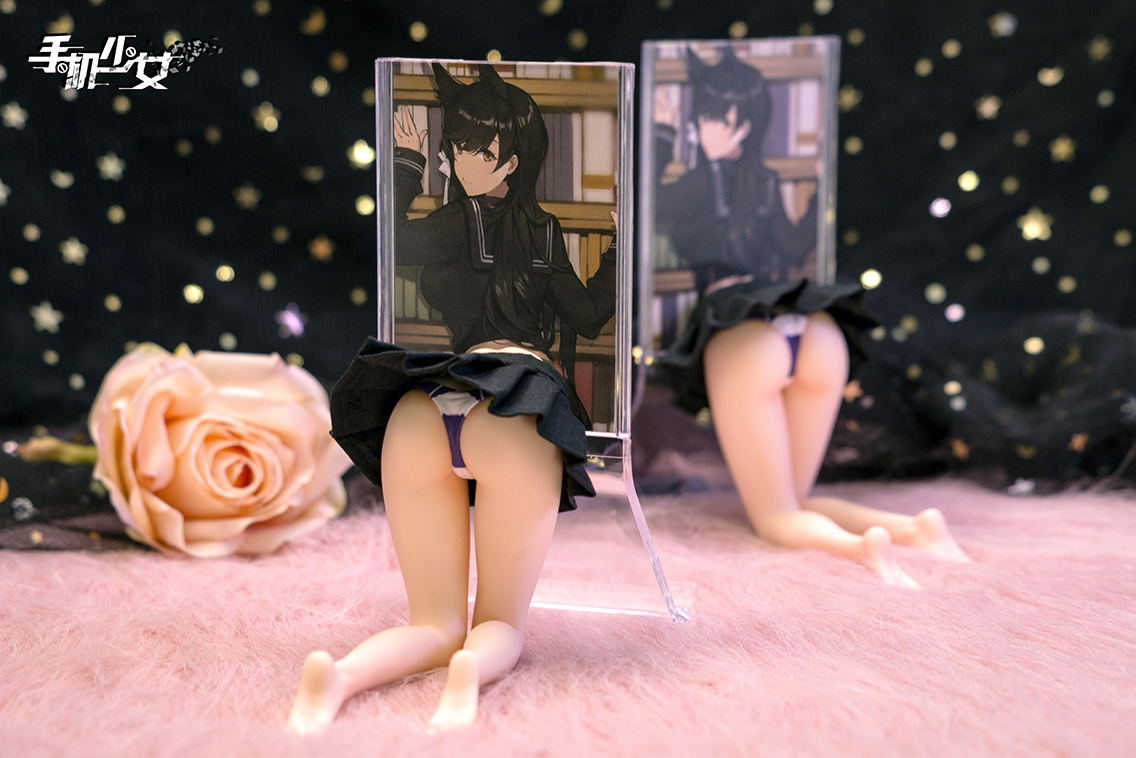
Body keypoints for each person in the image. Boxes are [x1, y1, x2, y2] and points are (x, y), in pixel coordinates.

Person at [288, 62, 616, 733]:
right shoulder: (544, 233)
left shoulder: (444, 223)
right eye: (458, 146)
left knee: (432, 622)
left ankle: (343, 675)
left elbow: (394, 241)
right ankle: (467, 672)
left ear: (511, 162)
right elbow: (587, 318)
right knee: (498, 623)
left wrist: (406, 165)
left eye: (476, 150)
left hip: (422, 406)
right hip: (515, 409)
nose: (461, 159)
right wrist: (616, 252)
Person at [654, 46, 968, 588]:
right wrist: (814, 196)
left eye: (723, 118)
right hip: (817, 328)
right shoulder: (762, 180)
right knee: (792, 499)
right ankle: (914, 529)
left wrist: (675, 142)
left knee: (776, 517)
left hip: (747, 333)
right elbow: (790, 244)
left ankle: (859, 548)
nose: (715, 128)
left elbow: (670, 220)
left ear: (745, 123)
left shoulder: (705, 181)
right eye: (710, 115)